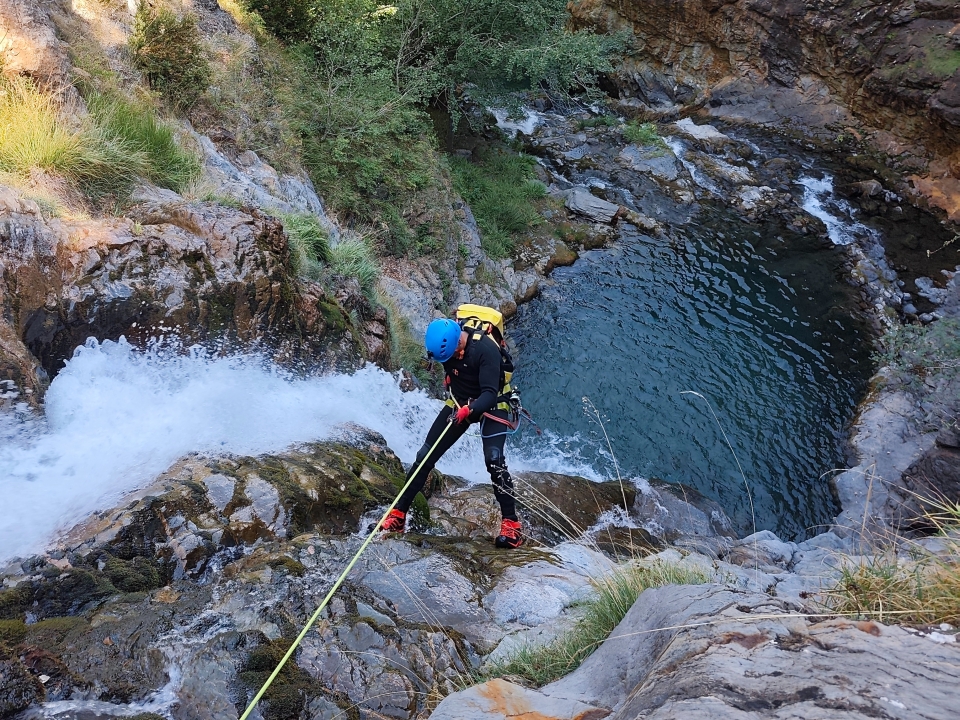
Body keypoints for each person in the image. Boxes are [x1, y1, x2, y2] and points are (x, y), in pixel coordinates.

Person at [381, 315, 523, 548]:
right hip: (459, 403)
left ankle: (511, 524)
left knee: (494, 460)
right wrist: (462, 406)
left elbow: (488, 392)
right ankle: (398, 514)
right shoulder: (446, 348)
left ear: (458, 342)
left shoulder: (485, 350)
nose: (451, 360)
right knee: (424, 456)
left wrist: (470, 410)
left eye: (452, 356)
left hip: (493, 403)